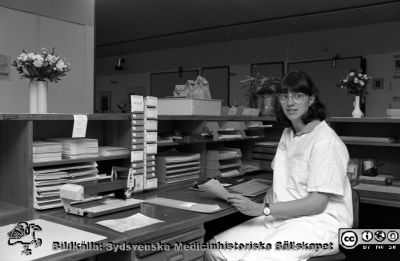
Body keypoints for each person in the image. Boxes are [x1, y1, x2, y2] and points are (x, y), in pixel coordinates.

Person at [205, 71, 353, 261]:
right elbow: (283, 179)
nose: (290, 102)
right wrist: (265, 199)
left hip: (318, 223)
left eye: (298, 96)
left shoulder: (325, 141)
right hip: (283, 217)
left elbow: (317, 204)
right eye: (285, 96)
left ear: (311, 99)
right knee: (213, 251)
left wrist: (262, 209)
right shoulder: (288, 133)